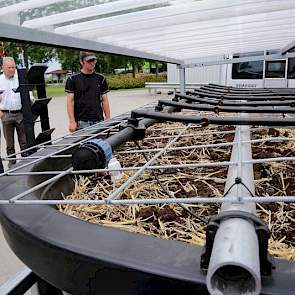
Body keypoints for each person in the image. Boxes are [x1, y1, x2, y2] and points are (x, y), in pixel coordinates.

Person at [65, 51, 111, 133]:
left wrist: (108, 119)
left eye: (94, 60)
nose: (92, 63)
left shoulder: (101, 78)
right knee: (85, 146)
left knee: (99, 145)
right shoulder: (72, 79)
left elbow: (105, 100)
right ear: (81, 62)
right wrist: (72, 121)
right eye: (89, 61)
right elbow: (70, 101)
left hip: (99, 120)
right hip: (81, 122)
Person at [0, 57, 27, 168]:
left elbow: (27, 93)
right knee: (9, 144)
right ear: (3, 67)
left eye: (13, 67)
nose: (12, 70)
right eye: (9, 67)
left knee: (24, 141)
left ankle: (26, 163)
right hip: (6, 115)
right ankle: (12, 165)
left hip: (20, 114)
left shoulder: (20, 78)